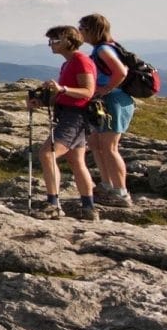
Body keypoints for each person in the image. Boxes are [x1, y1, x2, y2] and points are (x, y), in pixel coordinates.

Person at [27, 25, 98, 220]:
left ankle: (53, 204)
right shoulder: (69, 63)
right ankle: (88, 208)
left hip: (75, 117)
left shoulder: (80, 61)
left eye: (55, 40)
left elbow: (88, 91)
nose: (51, 44)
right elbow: (68, 93)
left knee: (47, 153)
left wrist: (62, 89)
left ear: (67, 40)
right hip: (71, 115)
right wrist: (43, 101)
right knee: (76, 161)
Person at [79, 13, 135, 206]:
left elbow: (121, 71)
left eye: (82, 28)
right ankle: (106, 184)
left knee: (110, 147)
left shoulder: (103, 49)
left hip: (113, 100)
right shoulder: (104, 48)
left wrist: (105, 89)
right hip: (109, 100)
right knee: (95, 142)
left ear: (92, 30)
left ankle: (121, 192)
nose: (80, 32)